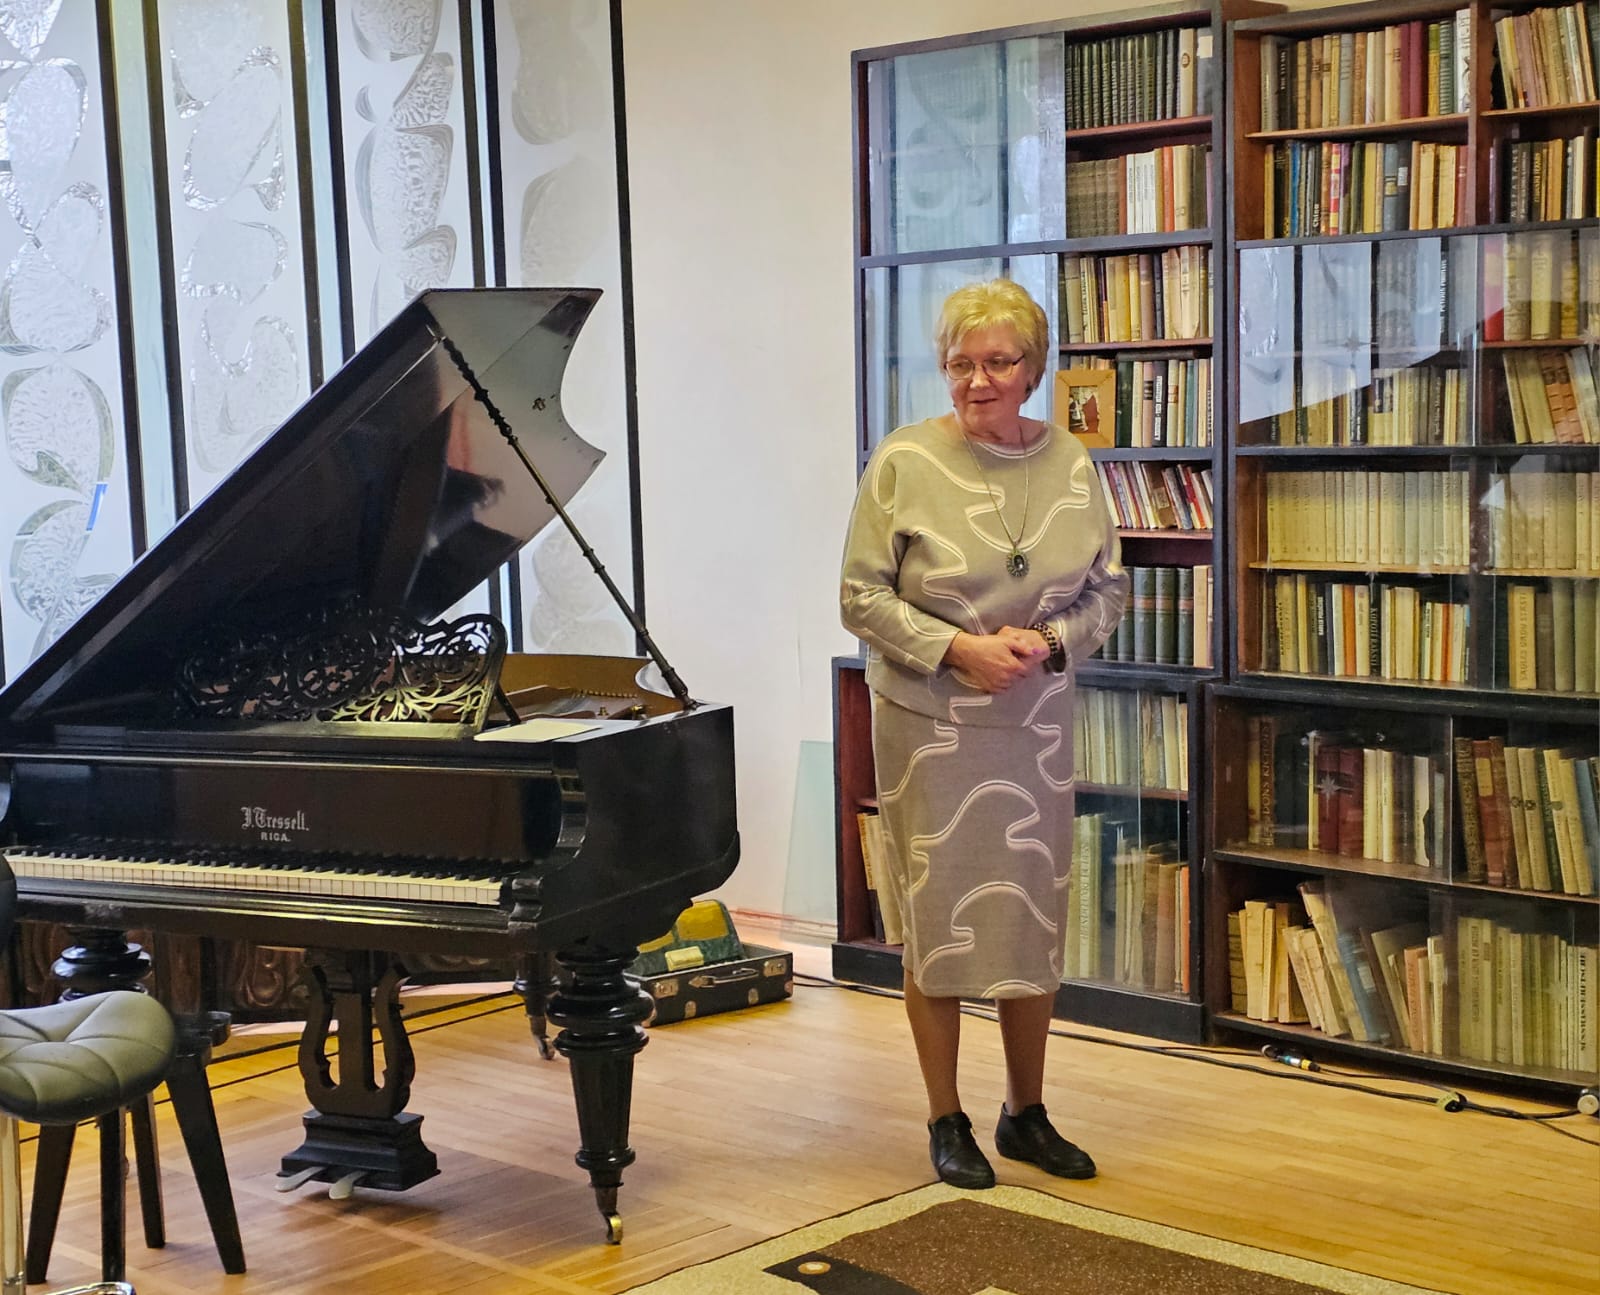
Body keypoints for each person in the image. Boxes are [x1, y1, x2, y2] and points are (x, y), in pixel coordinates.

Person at [839, 277, 1128, 1189]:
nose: (977, 380)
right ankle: (946, 1116)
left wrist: (1049, 641)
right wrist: (958, 647)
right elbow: (858, 597)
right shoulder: (902, 461)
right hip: (930, 726)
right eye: (960, 363)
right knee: (940, 922)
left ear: (1033, 369)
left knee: (1030, 917)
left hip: (1032, 724)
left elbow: (1108, 590)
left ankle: (1025, 1113)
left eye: (998, 362)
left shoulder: (1072, 461)